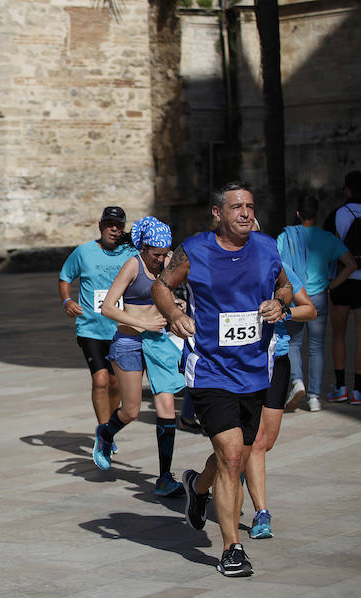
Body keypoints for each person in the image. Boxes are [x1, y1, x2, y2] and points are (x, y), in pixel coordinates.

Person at [153, 181, 292, 577]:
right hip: (210, 369)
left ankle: (198, 488)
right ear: (218, 213)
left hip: (254, 370)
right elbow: (163, 286)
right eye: (236, 207)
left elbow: (284, 285)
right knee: (232, 456)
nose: (246, 213)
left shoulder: (267, 247)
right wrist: (175, 315)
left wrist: (278, 303)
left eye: (249, 206)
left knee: (239, 455)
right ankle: (233, 548)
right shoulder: (195, 250)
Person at [98, 216, 185, 496]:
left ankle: (164, 477)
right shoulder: (133, 264)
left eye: (164, 253)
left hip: (157, 342)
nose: (161, 260)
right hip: (129, 341)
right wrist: (144, 323)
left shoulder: (169, 260)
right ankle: (105, 434)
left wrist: (176, 306)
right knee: (131, 410)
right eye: (156, 254)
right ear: (143, 247)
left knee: (167, 407)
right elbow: (108, 308)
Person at [245, 220, 317, 539]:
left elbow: (310, 310)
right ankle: (261, 512)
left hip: (277, 359)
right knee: (250, 442)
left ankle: (203, 482)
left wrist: (283, 313)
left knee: (264, 442)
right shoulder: (229, 268)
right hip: (242, 362)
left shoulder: (280, 267)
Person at [58, 206, 137, 456]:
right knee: (100, 379)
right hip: (90, 328)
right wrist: (67, 301)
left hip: (121, 328)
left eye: (119, 225)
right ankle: (103, 429)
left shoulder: (131, 253)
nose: (114, 229)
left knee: (115, 384)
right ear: (100, 224)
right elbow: (64, 277)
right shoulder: (84, 252)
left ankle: (108, 432)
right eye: (110, 224)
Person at [277, 195, 356, 411]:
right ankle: (313, 398)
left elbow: (275, 264)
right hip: (319, 296)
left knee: (292, 343)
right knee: (316, 348)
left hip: (294, 297)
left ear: (298, 214)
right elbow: (350, 263)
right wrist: (333, 285)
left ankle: (297, 381)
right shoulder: (328, 238)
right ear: (318, 214)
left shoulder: (286, 236)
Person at [323, 171, 361, 404]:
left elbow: (326, 250)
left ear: (347, 189)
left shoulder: (338, 214)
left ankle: (340, 387)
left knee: (338, 335)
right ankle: (359, 390)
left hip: (341, 280)